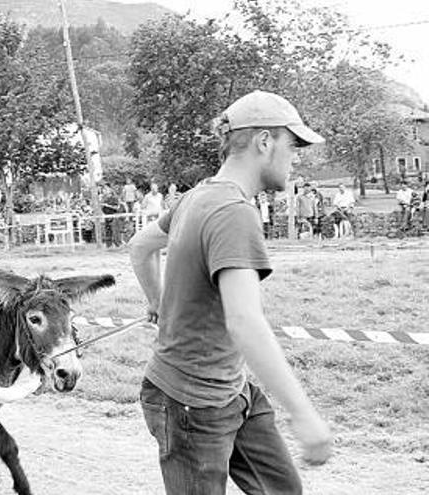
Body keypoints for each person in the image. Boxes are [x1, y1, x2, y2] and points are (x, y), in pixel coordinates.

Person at [127, 90, 332, 494]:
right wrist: (304, 414)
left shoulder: (198, 196)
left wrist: (159, 302)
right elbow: (244, 321)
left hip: (230, 388)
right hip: (190, 402)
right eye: (293, 146)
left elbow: (140, 247)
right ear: (264, 141)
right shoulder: (234, 213)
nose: (296, 158)